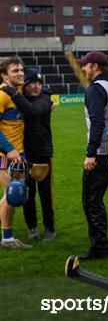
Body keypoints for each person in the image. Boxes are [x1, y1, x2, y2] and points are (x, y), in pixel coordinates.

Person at [78, 51, 108, 260]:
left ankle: (101, 247)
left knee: (92, 201)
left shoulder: (96, 89)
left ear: (95, 66)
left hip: (100, 154)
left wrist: (90, 153)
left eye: (85, 66)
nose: (83, 69)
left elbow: (97, 122)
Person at [2, 68, 55, 241]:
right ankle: (32, 227)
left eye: (39, 83)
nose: (37, 86)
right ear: (25, 85)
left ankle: (50, 228)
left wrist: (9, 90)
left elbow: (32, 111)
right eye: (32, 83)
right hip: (24, 154)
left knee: (46, 195)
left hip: (43, 153)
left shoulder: (45, 98)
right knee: (27, 194)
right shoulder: (19, 99)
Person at [0, 56, 32, 249]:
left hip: (19, 153)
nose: (20, 73)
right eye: (15, 71)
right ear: (4, 75)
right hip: (4, 154)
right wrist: (9, 148)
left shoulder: (18, 91)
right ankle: (7, 238)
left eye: (21, 69)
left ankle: (8, 236)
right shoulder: (2, 95)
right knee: (11, 194)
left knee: (15, 195)